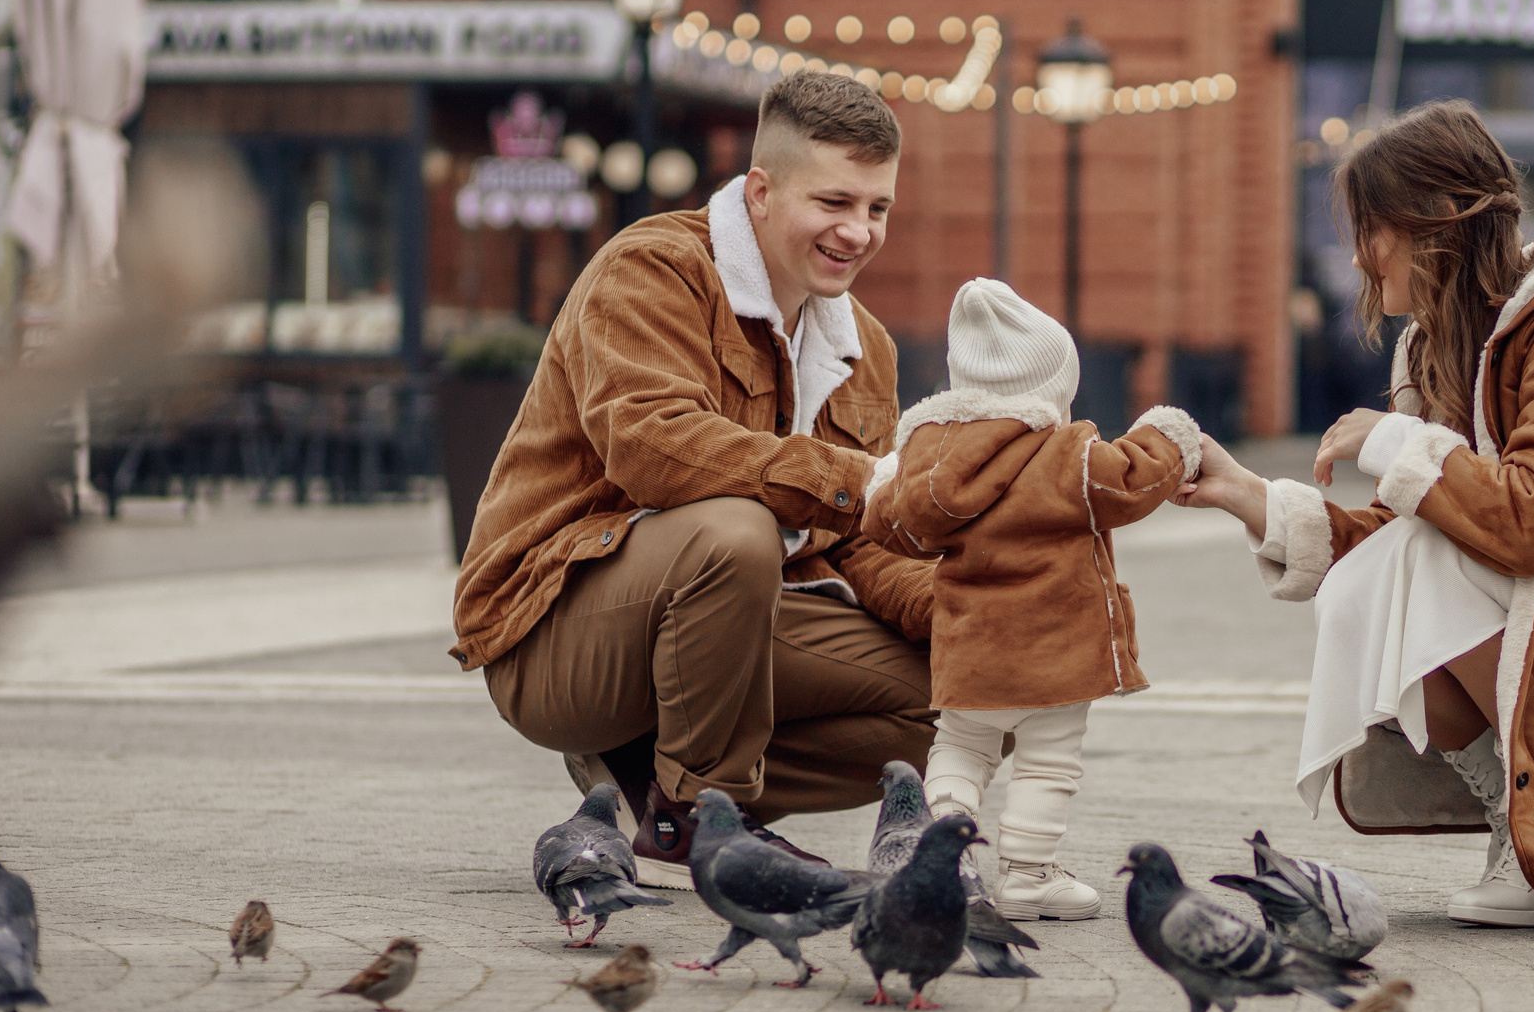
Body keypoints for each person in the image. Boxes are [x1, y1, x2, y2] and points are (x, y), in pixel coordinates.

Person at [1177, 101, 1534, 927]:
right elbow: (1411, 528)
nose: (1357, 254)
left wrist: (1392, 438)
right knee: (1377, 578)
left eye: (1371, 227)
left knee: (1417, 563)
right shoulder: (1443, 347)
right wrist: (1252, 496)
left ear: (1432, 225)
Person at [451, 73, 935, 884]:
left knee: (965, 691)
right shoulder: (652, 270)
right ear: (760, 191)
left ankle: (651, 772)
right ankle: (692, 818)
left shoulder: (866, 349)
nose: (858, 231)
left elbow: (860, 536)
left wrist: (965, 607)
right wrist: (858, 477)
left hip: (727, 629)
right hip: (556, 630)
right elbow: (654, 448)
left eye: (877, 208)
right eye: (834, 203)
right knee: (735, 529)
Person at [864, 279, 1202, 920]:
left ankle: (944, 851)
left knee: (960, 751)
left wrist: (886, 479)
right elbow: (1134, 479)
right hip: (1053, 659)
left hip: (968, 656)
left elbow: (891, 525)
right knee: (1048, 767)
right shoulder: (1065, 456)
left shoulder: (930, 461)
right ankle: (1027, 877)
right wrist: (1168, 432)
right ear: (1053, 385)